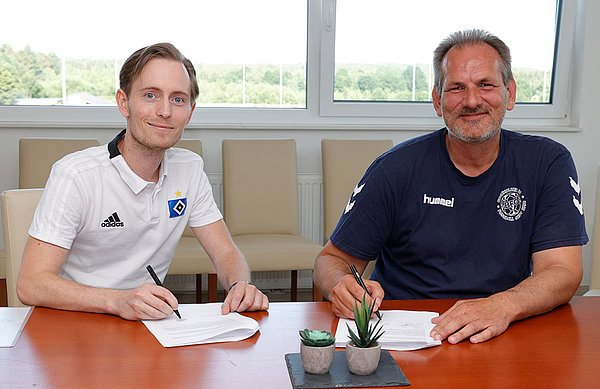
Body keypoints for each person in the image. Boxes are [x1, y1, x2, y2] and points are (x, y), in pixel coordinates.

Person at [313, 29, 588, 344]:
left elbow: (563, 271)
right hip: (408, 334)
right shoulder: (393, 169)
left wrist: (503, 305)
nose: (472, 100)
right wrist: (342, 285)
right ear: (436, 100)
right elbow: (330, 260)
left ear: (510, 93)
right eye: (457, 87)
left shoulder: (548, 162)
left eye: (485, 84)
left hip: (506, 325)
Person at [17, 43, 269, 320]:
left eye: (178, 99)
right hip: (77, 323)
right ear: (124, 102)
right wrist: (118, 301)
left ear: (190, 112)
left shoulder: (190, 169)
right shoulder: (75, 175)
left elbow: (225, 251)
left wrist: (240, 284)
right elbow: (31, 284)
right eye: (151, 95)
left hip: (148, 324)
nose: (165, 111)